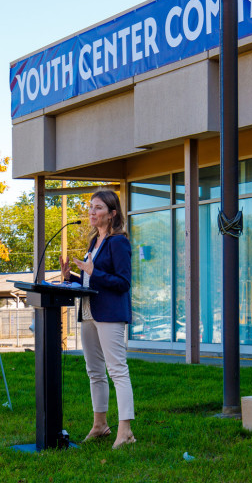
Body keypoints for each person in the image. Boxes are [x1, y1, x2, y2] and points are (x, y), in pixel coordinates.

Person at [59, 190, 135, 449]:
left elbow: (123, 283)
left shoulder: (119, 242)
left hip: (110, 313)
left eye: (98, 208)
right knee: (94, 371)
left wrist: (94, 271)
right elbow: (94, 281)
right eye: (91, 207)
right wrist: (73, 278)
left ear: (112, 214)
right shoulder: (95, 241)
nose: (92, 211)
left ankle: (125, 431)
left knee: (117, 371)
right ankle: (100, 425)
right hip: (90, 311)